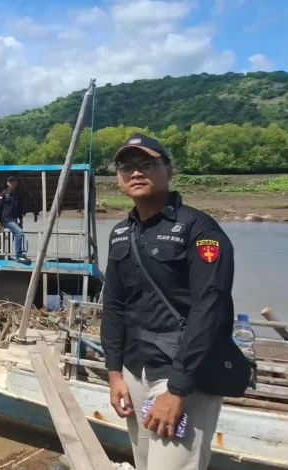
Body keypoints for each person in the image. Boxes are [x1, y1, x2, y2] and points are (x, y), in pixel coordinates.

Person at [101, 133, 237, 470]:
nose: (136, 172)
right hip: (135, 370)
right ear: (118, 178)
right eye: (126, 166)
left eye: (147, 163)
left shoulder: (198, 228)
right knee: (145, 464)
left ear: (169, 170)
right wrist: (115, 372)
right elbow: (115, 305)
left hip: (183, 373)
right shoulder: (121, 233)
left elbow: (211, 308)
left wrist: (177, 389)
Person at [0, 176, 28, 262]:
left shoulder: (17, 195)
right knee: (19, 232)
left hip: (14, 219)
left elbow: (19, 209)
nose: (12, 183)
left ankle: (19, 254)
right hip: (5, 218)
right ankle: (18, 255)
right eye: (10, 182)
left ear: (16, 183)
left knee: (19, 233)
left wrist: (20, 220)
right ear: (7, 183)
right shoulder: (3, 194)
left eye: (14, 182)